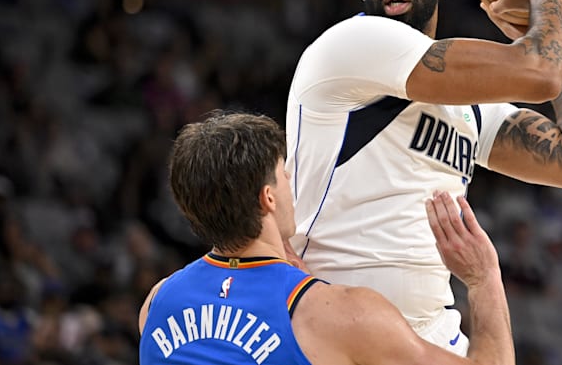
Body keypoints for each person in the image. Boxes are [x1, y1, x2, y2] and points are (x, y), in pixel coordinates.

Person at [285, 0, 562, 354]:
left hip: (430, 336)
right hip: (334, 328)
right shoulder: (352, 45)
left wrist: (541, 39)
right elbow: (540, 74)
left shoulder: (470, 107)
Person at [138, 111, 513, 365]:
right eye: (284, 174)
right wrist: (484, 280)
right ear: (267, 197)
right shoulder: (339, 315)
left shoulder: (156, 303)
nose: (291, 184)